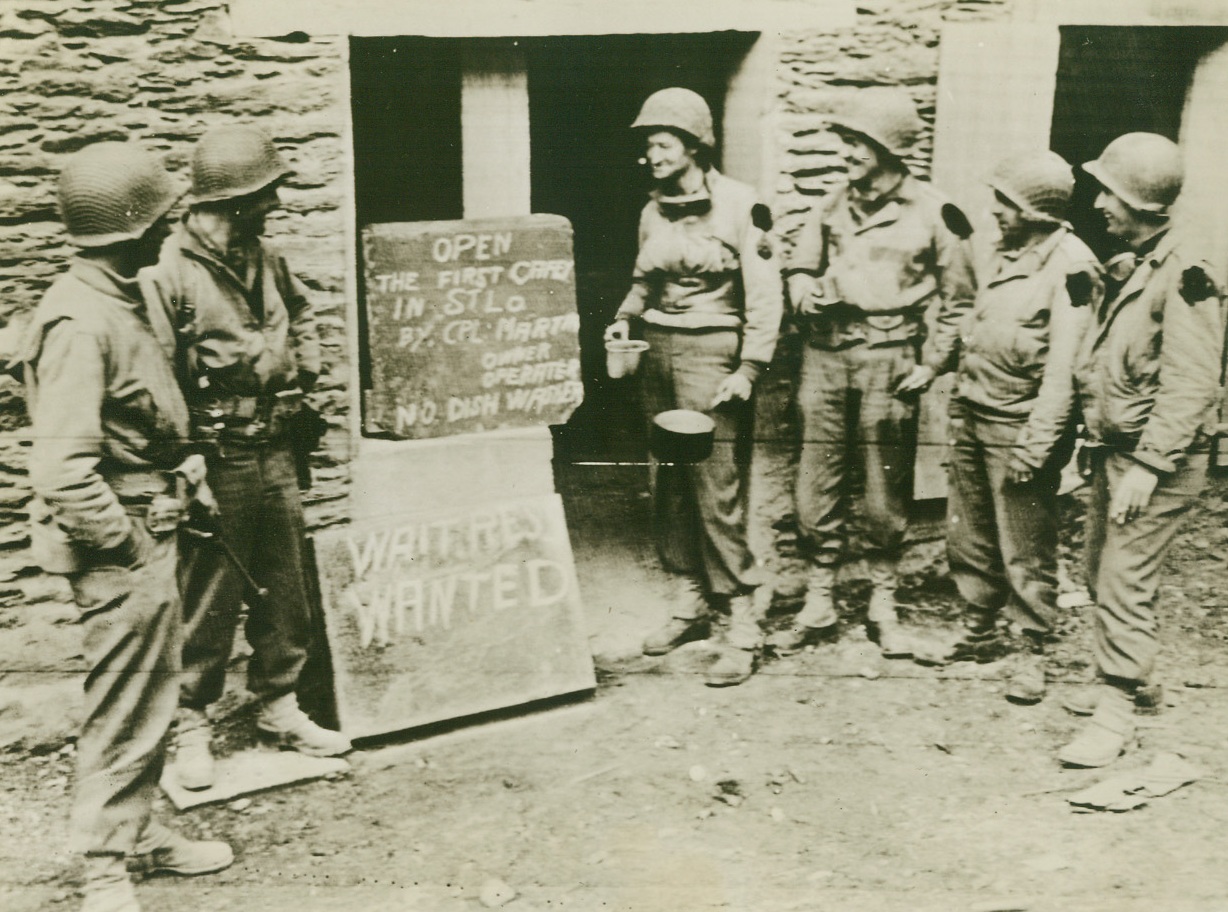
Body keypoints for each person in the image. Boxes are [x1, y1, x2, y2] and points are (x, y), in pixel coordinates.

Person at [24, 142, 233, 912]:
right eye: (159, 216)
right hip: (120, 543)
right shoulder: (81, 320)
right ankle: (105, 869)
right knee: (126, 704)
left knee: (150, 695)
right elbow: (63, 472)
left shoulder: (121, 294)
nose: (169, 226)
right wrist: (129, 543)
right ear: (130, 227)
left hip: (149, 523)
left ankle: (139, 835)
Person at [141, 124, 350, 791]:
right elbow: (157, 375)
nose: (276, 205)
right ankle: (191, 723)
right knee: (208, 594)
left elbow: (300, 309)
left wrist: (307, 364)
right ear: (234, 200)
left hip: (276, 445)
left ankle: (278, 706)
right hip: (216, 453)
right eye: (266, 195)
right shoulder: (169, 272)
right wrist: (184, 462)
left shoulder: (266, 255)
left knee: (284, 585)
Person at [774, 88, 976, 658]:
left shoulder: (938, 212)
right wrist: (802, 293)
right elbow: (799, 264)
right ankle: (819, 598)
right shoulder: (831, 204)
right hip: (825, 357)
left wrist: (934, 363)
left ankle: (882, 601)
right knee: (816, 480)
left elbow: (962, 302)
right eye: (845, 140)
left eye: (856, 142)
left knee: (885, 487)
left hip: (892, 360)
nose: (846, 152)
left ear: (888, 148)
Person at [604, 87, 783, 687]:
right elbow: (641, 281)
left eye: (661, 142)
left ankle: (740, 622)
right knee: (670, 481)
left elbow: (764, 293)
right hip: (656, 353)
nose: (650, 154)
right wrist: (625, 317)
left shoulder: (743, 205)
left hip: (714, 357)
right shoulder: (651, 209)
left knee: (715, 486)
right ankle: (690, 601)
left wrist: (749, 368)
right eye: (647, 145)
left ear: (692, 144)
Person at [910, 152, 1101, 705]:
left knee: (1025, 542)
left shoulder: (1073, 268)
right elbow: (968, 315)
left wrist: (1037, 445)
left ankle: (1030, 647)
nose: (995, 212)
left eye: (1008, 204)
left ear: (1039, 212)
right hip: (972, 409)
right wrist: (936, 363)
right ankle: (978, 628)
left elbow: (1065, 369)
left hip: (1019, 425)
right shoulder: (996, 252)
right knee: (969, 529)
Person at [1059, 132, 1224, 767]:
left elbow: (1192, 381)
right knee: (1098, 565)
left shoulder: (1188, 273)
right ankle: (1139, 681)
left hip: (1158, 462)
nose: (1098, 203)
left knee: (1124, 578)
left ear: (1139, 201)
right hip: (1118, 452)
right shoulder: (1141, 262)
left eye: (1108, 192)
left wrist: (1151, 466)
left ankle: (1117, 709)